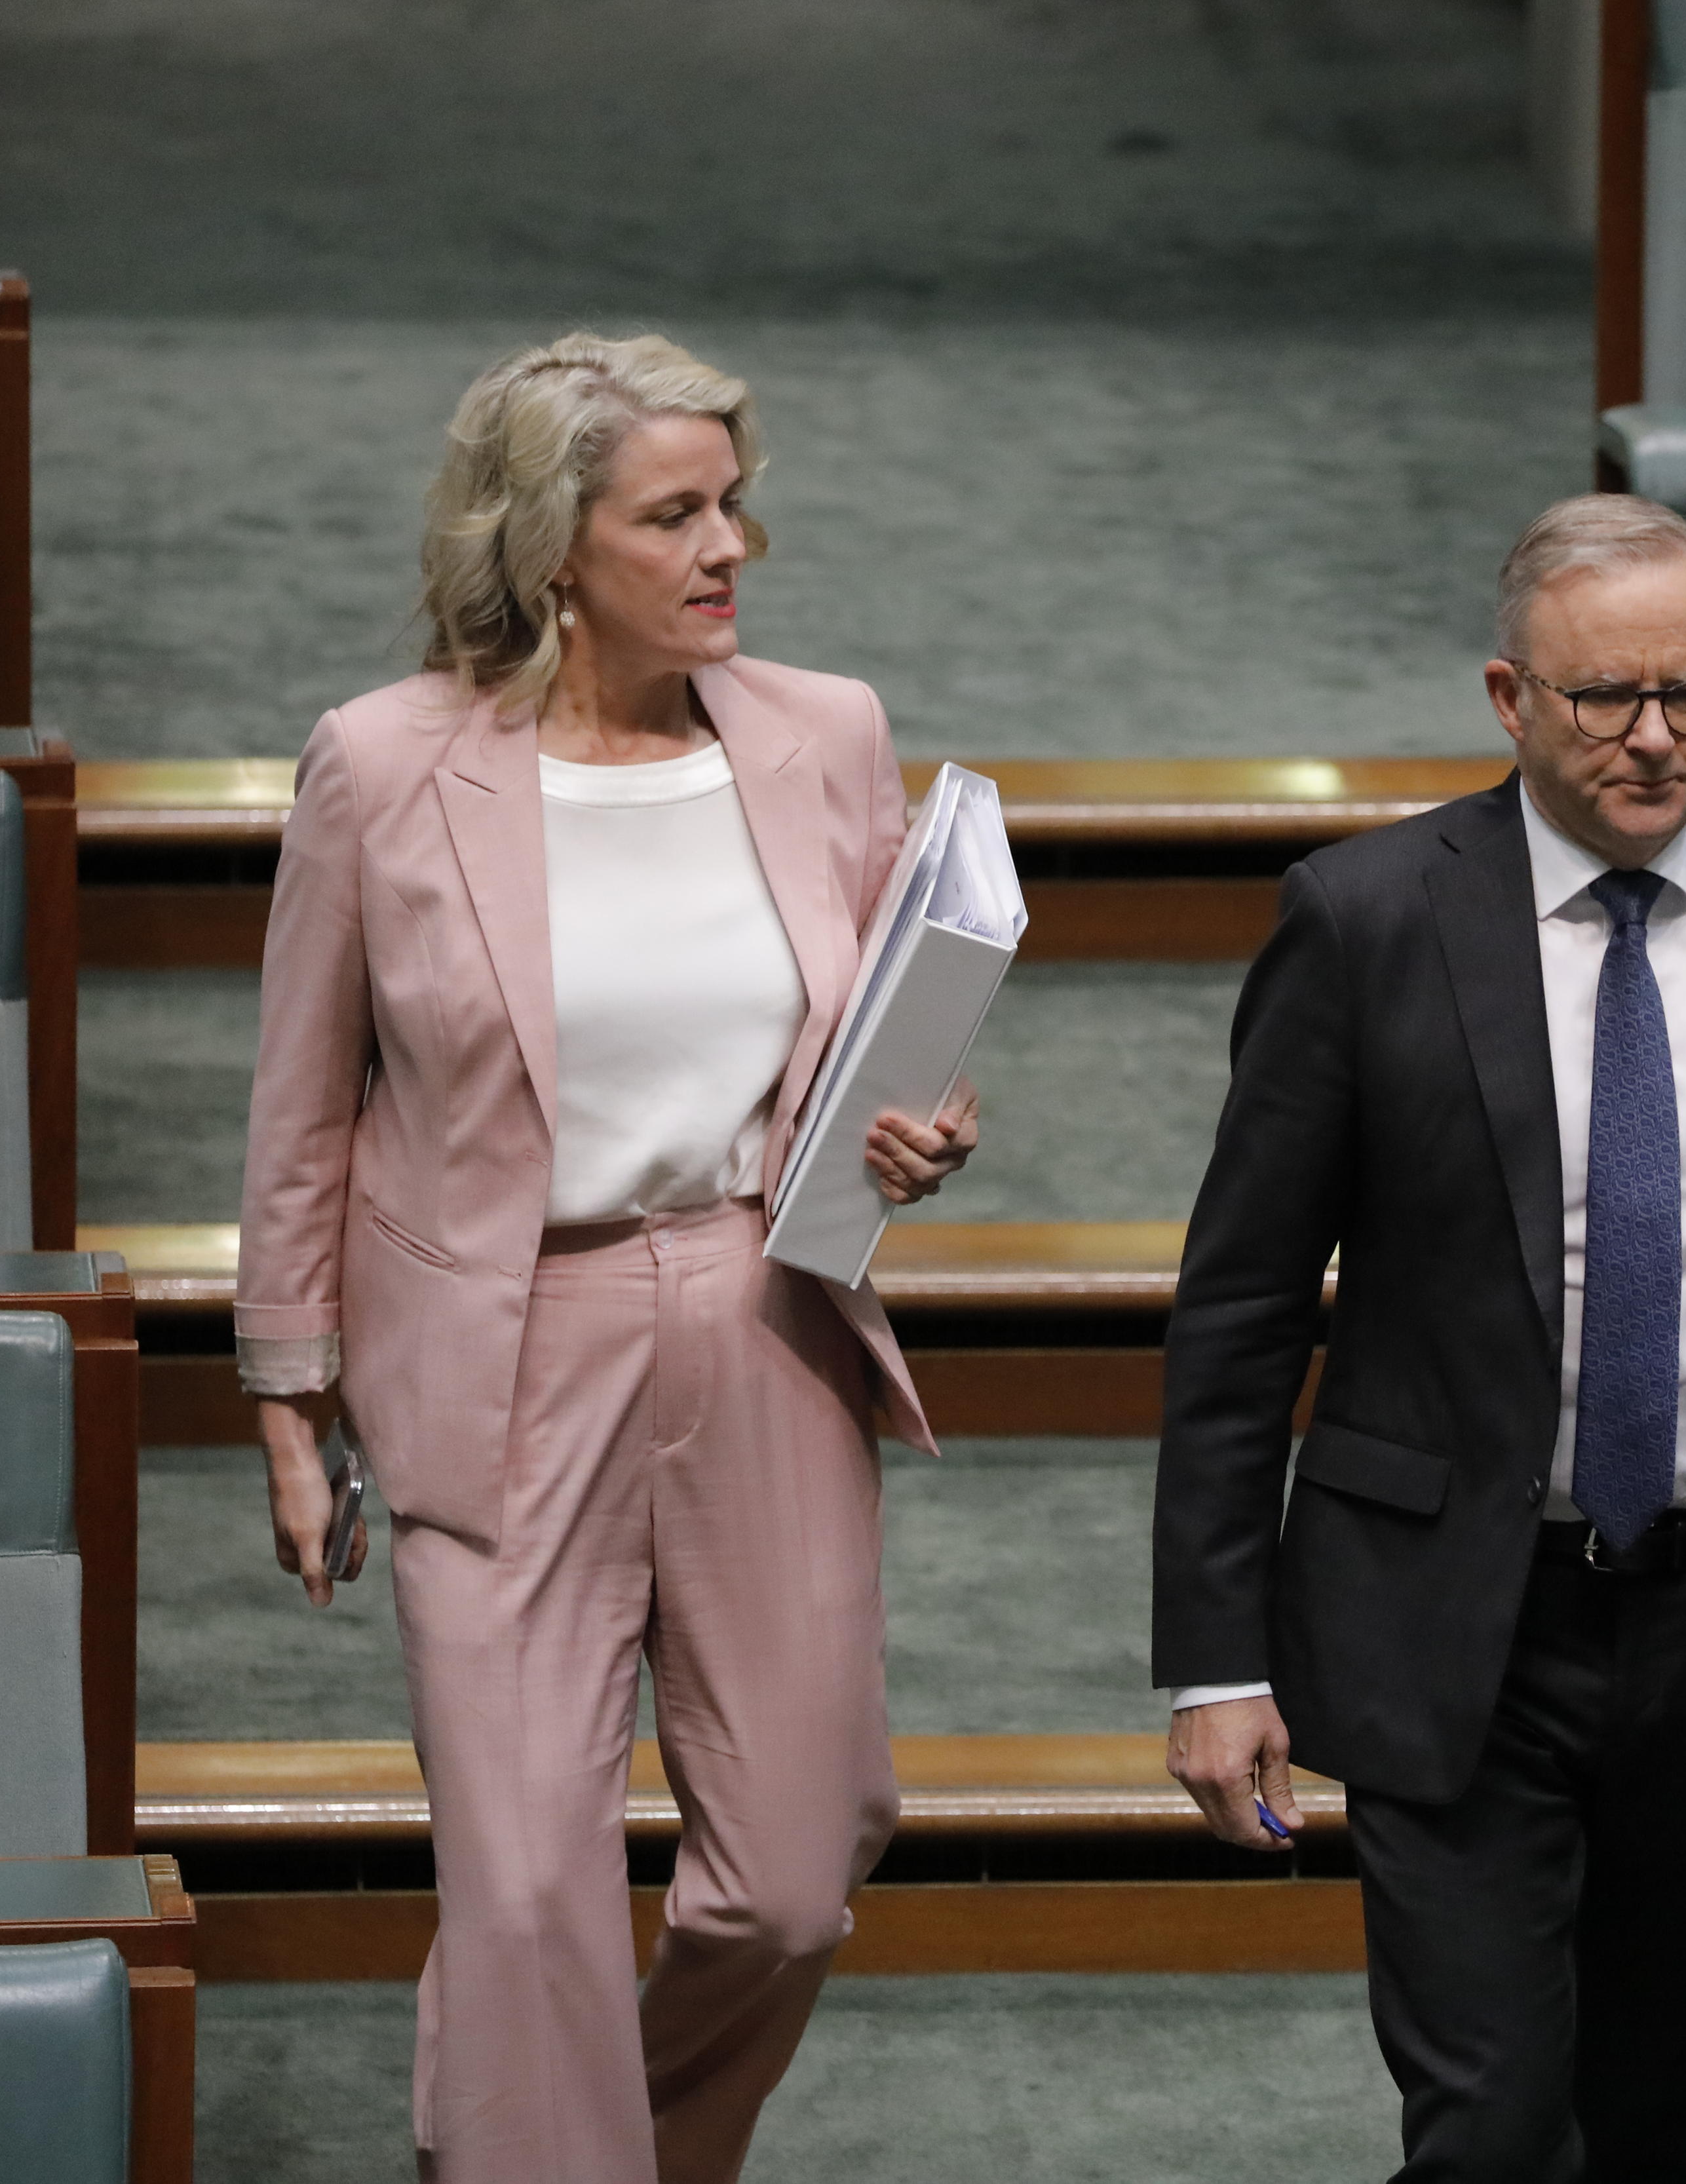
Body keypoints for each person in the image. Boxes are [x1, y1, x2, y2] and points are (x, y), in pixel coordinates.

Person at [1153, 493, 1686, 2181]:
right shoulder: (1368, 916)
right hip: (1455, 1613)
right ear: (1509, 698)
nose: (1654, 742)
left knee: (1662, 2126)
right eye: (1605, 699)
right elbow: (1243, 1310)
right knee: (1486, 2129)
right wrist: (1216, 1657)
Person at [239, 332, 978, 2184]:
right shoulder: (384, 766)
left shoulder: (828, 732)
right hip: (495, 1350)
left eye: (735, 502)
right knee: (518, 1899)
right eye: (680, 513)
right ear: (556, 545)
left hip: (759, 1318)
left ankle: (579, 2145)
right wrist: (283, 1385)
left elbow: (892, 1024)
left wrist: (924, 1128)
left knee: (795, 1886)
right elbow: (302, 1100)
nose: (733, 544)